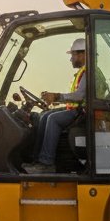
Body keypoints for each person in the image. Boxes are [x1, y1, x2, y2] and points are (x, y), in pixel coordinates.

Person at [24, 37, 90, 174]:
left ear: (82, 54)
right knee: (44, 115)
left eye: (73, 55)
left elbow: (80, 96)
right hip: (76, 110)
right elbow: (75, 97)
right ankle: (36, 160)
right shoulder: (83, 72)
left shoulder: (88, 72)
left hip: (82, 113)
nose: (71, 59)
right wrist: (55, 99)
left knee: (52, 119)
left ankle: (47, 163)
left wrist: (57, 96)